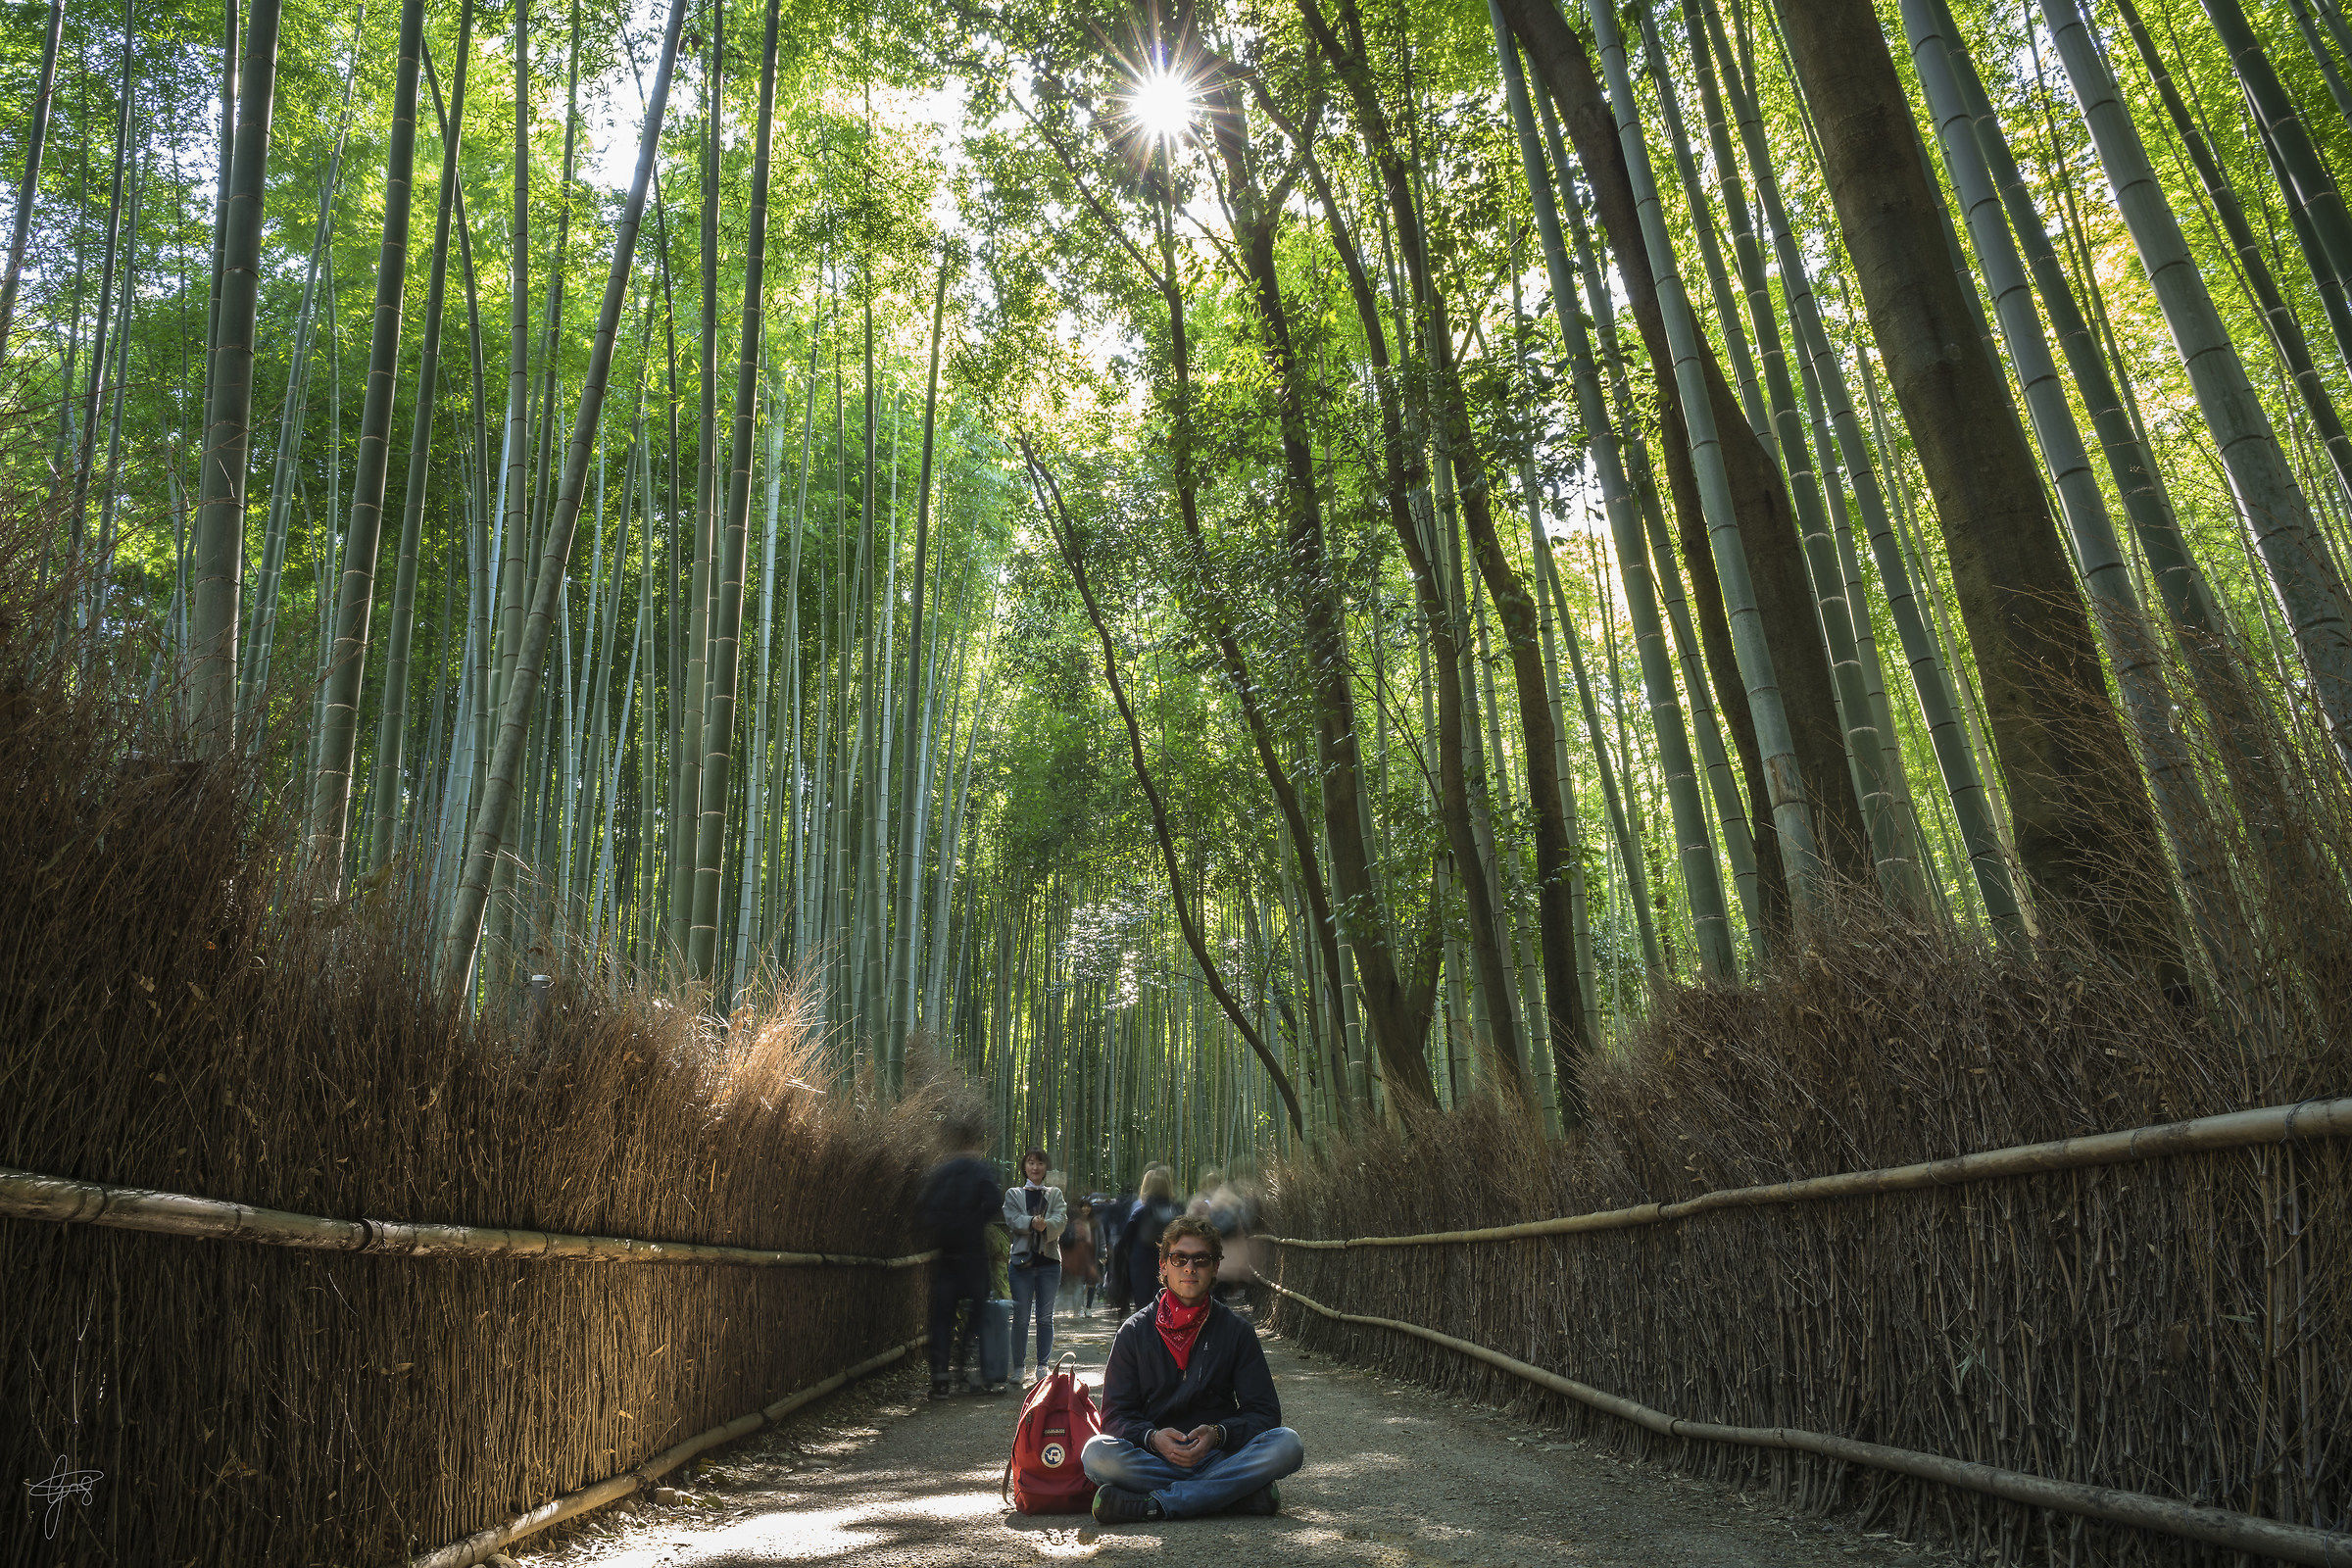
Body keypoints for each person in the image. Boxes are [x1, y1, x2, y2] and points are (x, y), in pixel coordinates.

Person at [1082, 1216, 1305, 1523]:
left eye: (1201, 1260)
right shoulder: (1134, 1332)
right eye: (1179, 1258)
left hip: (1218, 1456)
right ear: (1163, 1266)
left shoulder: (1236, 1332)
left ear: (1215, 1268)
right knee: (1096, 1455)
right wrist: (1153, 1438)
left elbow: (1265, 1414)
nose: (1190, 1268)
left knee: (1288, 1445)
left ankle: (1156, 1505)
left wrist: (1219, 1434)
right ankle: (1232, 1496)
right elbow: (1115, 1417)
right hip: (1155, 1459)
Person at [915, 1115, 1004, 1400]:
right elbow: (994, 1202)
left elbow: (922, 1208)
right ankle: (963, 1364)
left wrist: (941, 1227)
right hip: (973, 1253)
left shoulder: (941, 1173)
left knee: (940, 1316)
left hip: (946, 1254)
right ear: (975, 1142)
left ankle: (939, 1377)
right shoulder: (980, 1170)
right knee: (977, 1310)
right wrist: (973, 1220)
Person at [1004, 1148, 1066, 1385]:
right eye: (1030, 1163)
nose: (1035, 1167)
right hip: (1021, 1264)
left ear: (1045, 1167)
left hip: (1049, 1263)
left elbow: (1061, 1221)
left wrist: (1046, 1225)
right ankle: (1019, 1368)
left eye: (1039, 1163)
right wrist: (1031, 1222)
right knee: (1020, 1317)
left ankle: (1042, 1365)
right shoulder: (1014, 1193)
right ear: (1024, 1167)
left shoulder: (1055, 1193)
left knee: (1044, 1317)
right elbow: (1011, 1219)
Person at [1115, 1165, 1180, 1313]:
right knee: (1168, 1304)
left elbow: (1124, 1242)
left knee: (1144, 1308)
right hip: (1170, 1263)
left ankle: (1147, 1333)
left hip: (1141, 1264)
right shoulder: (1177, 1211)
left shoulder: (1139, 1212)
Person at [1059, 1197, 1099, 1314]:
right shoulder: (1077, 1224)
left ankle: (1086, 1308)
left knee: (1086, 1283)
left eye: (1088, 1206)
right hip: (1080, 1257)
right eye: (1083, 1206)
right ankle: (1078, 1309)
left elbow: (1099, 1239)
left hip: (1085, 1257)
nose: (1085, 1209)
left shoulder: (1093, 1222)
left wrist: (1102, 1253)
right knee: (1078, 1283)